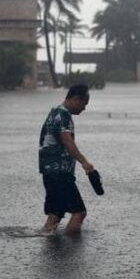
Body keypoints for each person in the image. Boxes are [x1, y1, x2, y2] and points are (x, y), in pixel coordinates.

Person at [39, 84, 94, 235]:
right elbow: (67, 141)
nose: (84, 108)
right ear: (76, 99)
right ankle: (71, 254)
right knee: (79, 212)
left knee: (55, 213)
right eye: (84, 104)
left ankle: (51, 247)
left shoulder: (54, 112)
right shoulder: (63, 116)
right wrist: (84, 162)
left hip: (49, 173)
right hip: (60, 173)